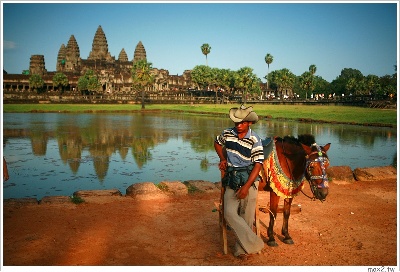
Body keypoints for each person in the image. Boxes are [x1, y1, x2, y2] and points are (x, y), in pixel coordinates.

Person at [214, 104, 265, 258]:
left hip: (249, 179)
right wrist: (222, 158)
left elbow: (258, 164)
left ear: (249, 123)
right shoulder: (227, 133)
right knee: (229, 213)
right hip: (232, 178)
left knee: (247, 215)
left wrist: (246, 187)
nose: (238, 126)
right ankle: (254, 241)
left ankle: (241, 249)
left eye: (242, 123)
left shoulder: (255, 139)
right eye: (237, 123)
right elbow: (217, 142)